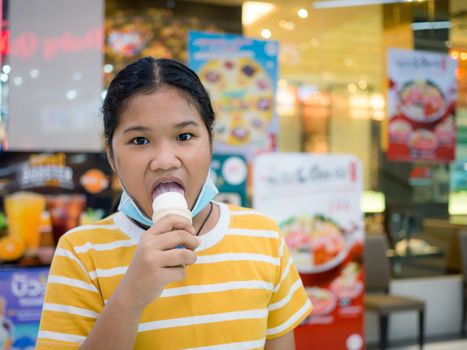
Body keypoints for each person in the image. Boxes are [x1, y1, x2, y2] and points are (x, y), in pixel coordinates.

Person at [37, 57, 312, 349]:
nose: (165, 161)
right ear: (110, 155)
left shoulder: (263, 236)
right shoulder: (81, 253)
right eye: (140, 140)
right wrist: (131, 295)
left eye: (184, 136)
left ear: (210, 142)